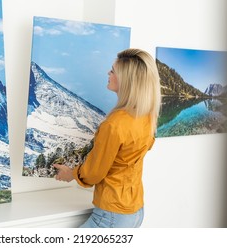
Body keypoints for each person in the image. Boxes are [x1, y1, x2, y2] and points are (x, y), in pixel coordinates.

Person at [53, 48, 161, 228]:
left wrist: (70, 173)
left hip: (112, 214)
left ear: (127, 80)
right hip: (135, 211)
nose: (108, 73)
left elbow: (94, 172)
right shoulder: (147, 116)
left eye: (113, 70)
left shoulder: (114, 124)